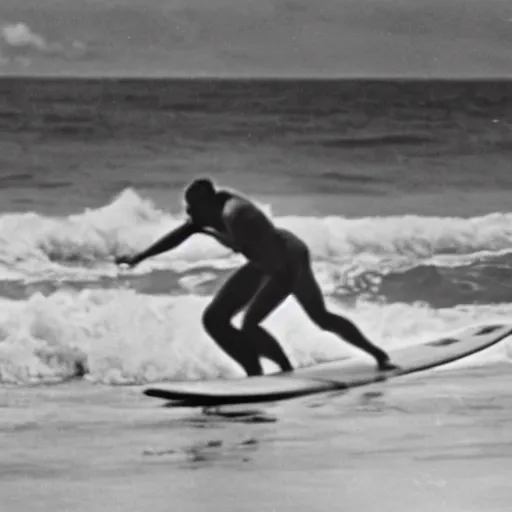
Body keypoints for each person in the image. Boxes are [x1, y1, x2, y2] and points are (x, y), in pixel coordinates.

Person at [115, 178, 397, 376]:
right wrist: (138, 258)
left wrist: (205, 231)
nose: (189, 214)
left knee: (306, 319)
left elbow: (240, 246)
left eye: (193, 209)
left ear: (208, 204)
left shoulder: (236, 215)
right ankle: (255, 371)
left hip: (288, 260)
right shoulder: (209, 209)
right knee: (214, 319)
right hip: (263, 262)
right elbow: (178, 235)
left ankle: (376, 356)